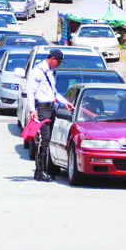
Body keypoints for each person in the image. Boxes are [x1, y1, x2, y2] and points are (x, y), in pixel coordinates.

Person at [26, 49, 74, 182]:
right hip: (41, 108)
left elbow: (53, 93)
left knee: (47, 140)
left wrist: (65, 103)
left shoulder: (50, 72)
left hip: (50, 107)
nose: (58, 64)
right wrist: (32, 110)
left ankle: (41, 171)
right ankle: (40, 171)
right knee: (43, 139)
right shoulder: (38, 70)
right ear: (52, 59)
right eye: (58, 62)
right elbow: (31, 91)